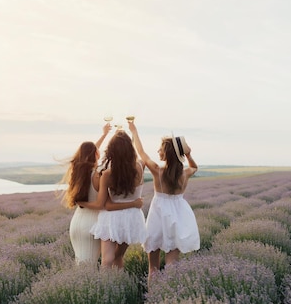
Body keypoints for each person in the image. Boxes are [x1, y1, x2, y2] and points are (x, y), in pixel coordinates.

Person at [60, 123, 142, 265]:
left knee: (82, 263)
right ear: (97, 154)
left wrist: (104, 134)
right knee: (91, 266)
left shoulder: (78, 173)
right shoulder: (100, 173)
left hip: (77, 223)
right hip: (92, 223)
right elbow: (102, 204)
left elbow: (87, 154)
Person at [128, 120, 200, 280]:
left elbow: (141, 152)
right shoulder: (185, 173)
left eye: (160, 148)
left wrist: (133, 131)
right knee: (172, 265)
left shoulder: (157, 171)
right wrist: (188, 155)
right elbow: (195, 167)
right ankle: (169, 295)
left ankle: (152, 297)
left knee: (153, 267)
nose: (158, 151)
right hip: (179, 216)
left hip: (158, 215)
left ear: (166, 152)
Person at [83, 129, 147, 268]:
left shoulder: (107, 174)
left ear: (111, 151)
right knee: (118, 257)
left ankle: (105, 287)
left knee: (107, 259)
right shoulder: (141, 167)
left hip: (111, 219)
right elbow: (141, 151)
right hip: (132, 219)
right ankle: (119, 285)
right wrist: (134, 131)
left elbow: (108, 206)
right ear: (130, 149)